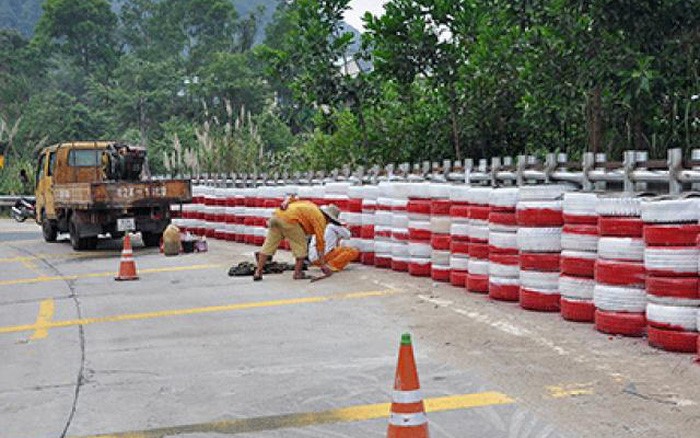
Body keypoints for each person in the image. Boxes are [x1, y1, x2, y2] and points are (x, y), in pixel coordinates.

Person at [253, 200, 339, 281]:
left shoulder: (310, 205)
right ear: (328, 218)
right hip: (291, 221)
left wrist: (286, 201)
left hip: (276, 216)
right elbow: (320, 242)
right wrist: (323, 265)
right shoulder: (320, 219)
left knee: (268, 246)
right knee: (301, 247)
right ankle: (298, 273)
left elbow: (292, 199)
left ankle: (258, 272)